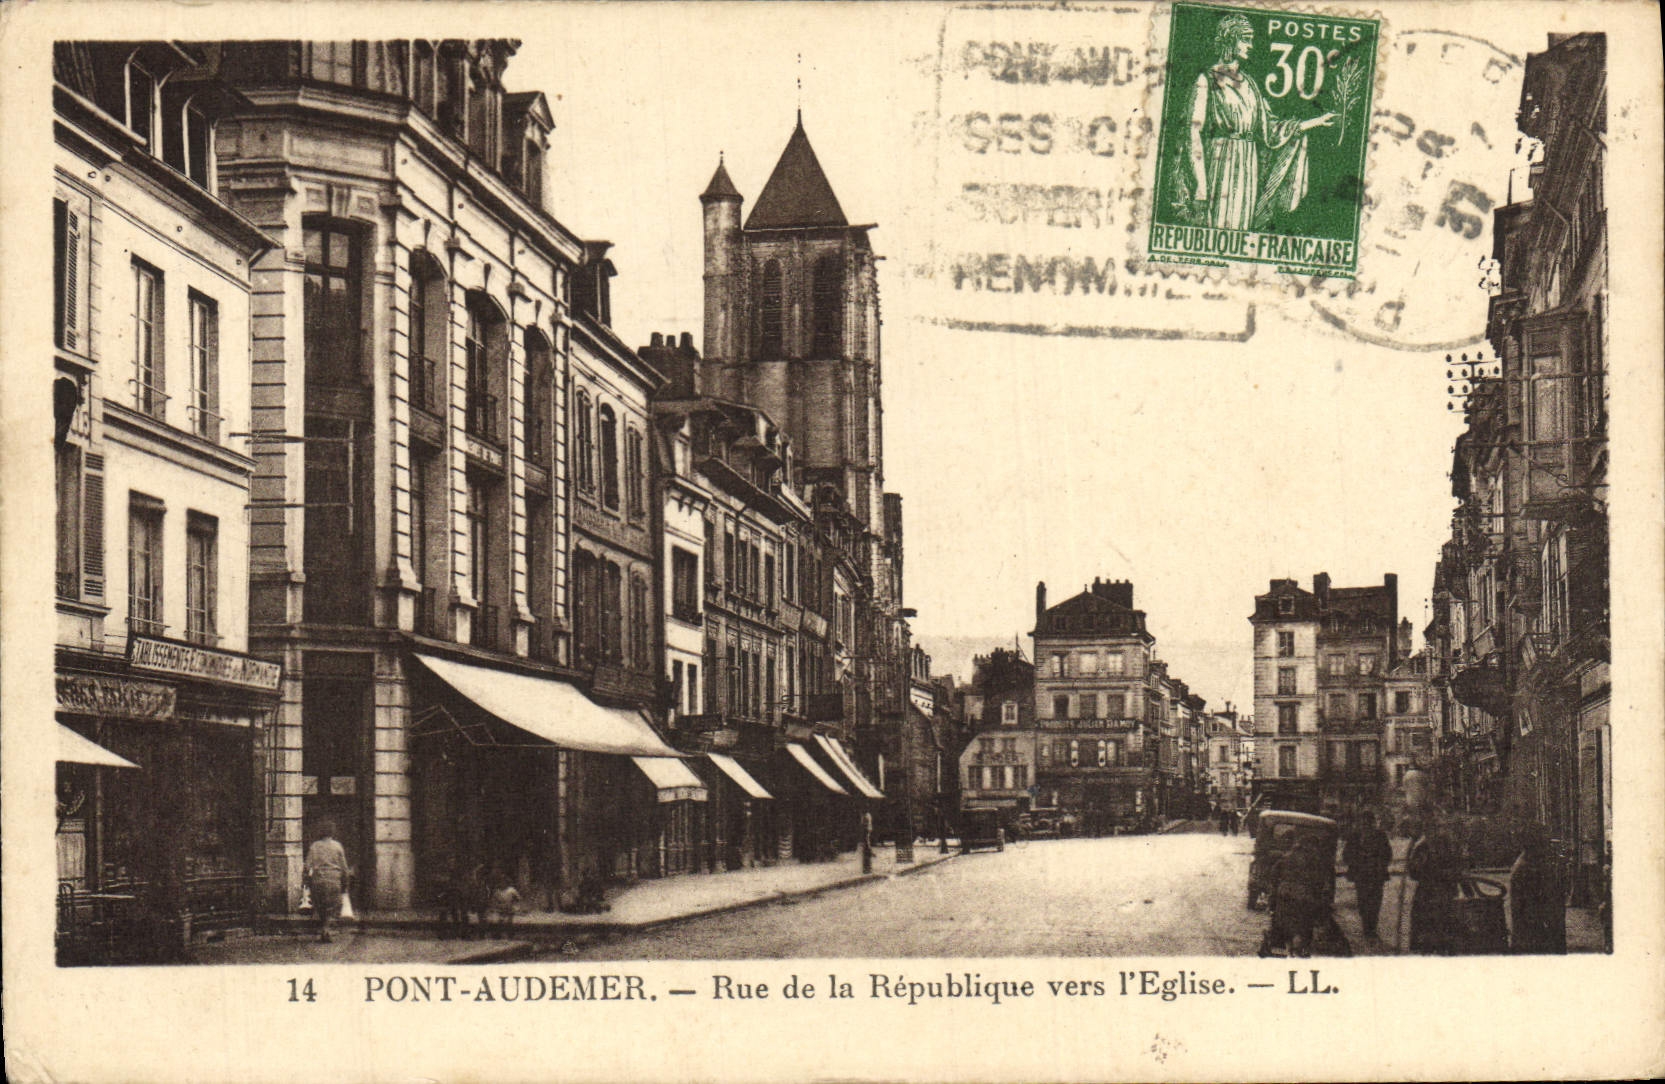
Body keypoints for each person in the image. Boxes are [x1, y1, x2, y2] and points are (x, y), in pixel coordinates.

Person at [1184, 12, 1336, 231]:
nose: (1251, 45)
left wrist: (1317, 121)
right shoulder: (1207, 80)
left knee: (1242, 229)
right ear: (1230, 39)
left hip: (1247, 166)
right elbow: (1193, 135)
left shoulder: (1251, 85)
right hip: (1220, 162)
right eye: (1245, 38)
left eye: (1251, 39)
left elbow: (1272, 132)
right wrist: (1201, 187)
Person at [1262, 835, 1332, 957]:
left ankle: (1279, 947)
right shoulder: (1317, 861)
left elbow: (1274, 875)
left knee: (1281, 924)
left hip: (1285, 897)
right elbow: (1321, 883)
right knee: (1304, 927)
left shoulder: (1287, 857)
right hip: (1305, 900)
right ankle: (1300, 949)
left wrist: (1276, 890)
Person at [1406, 818, 1463, 954]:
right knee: (1428, 934)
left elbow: (1458, 865)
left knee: (1447, 931)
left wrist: (1456, 875)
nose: (1441, 831)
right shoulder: (1423, 847)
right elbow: (1414, 872)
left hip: (1447, 893)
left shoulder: (1448, 844)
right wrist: (1436, 873)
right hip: (1428, 894)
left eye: (1443, 827)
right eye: (1437, 828)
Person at [1508, 827, 1567, 954]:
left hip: (1529, 935)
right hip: (1533, 938)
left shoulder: (1528, 863)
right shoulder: (1528, 868)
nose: (1547, 848)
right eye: (1544, 843)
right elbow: (1541, 906)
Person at [1343, 810, 1393, 940]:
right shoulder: (1355, 837)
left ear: (1373, 823)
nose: (1366, 825)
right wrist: (1357, 860)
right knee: (1363, 903)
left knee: (1375, 903)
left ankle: (1371, 930)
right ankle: (1367, 927)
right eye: (1363, 823)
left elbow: (1388, 854)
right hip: (1361, 876)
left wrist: (1377, 861)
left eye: (1369, 823)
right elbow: (1346, 855)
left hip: (1376, 876)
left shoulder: (1380, 836)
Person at [303, 820, 352, 944]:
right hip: (334, 880)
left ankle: (324, 929)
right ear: (333, 832)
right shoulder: (337, 846)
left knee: (321, 906)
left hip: (318, 881)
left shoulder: (314, 846)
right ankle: (327, 929)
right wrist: (345, 884)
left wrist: (305, 882)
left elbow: (307, 866)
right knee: (333, 907)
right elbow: (344, 868)